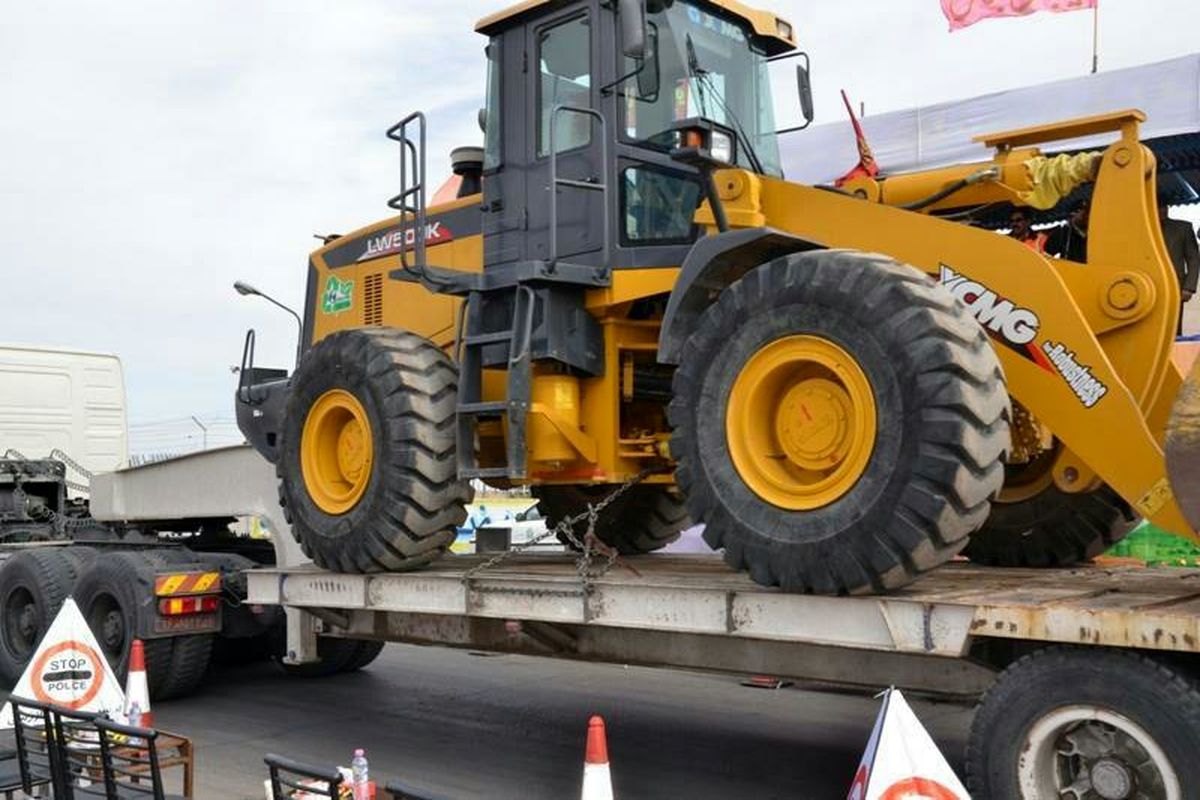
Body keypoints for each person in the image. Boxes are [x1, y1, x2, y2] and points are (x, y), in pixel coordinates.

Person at [1160, 203, 1200, 335]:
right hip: (1144, 285)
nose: (1162, 210)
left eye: (1164, 206)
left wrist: (1189, 287)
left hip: (1175, 287)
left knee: (1172, 328)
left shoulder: (1183, 228)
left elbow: (1193, 259)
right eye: (1158, 206)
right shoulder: (1138, 229)